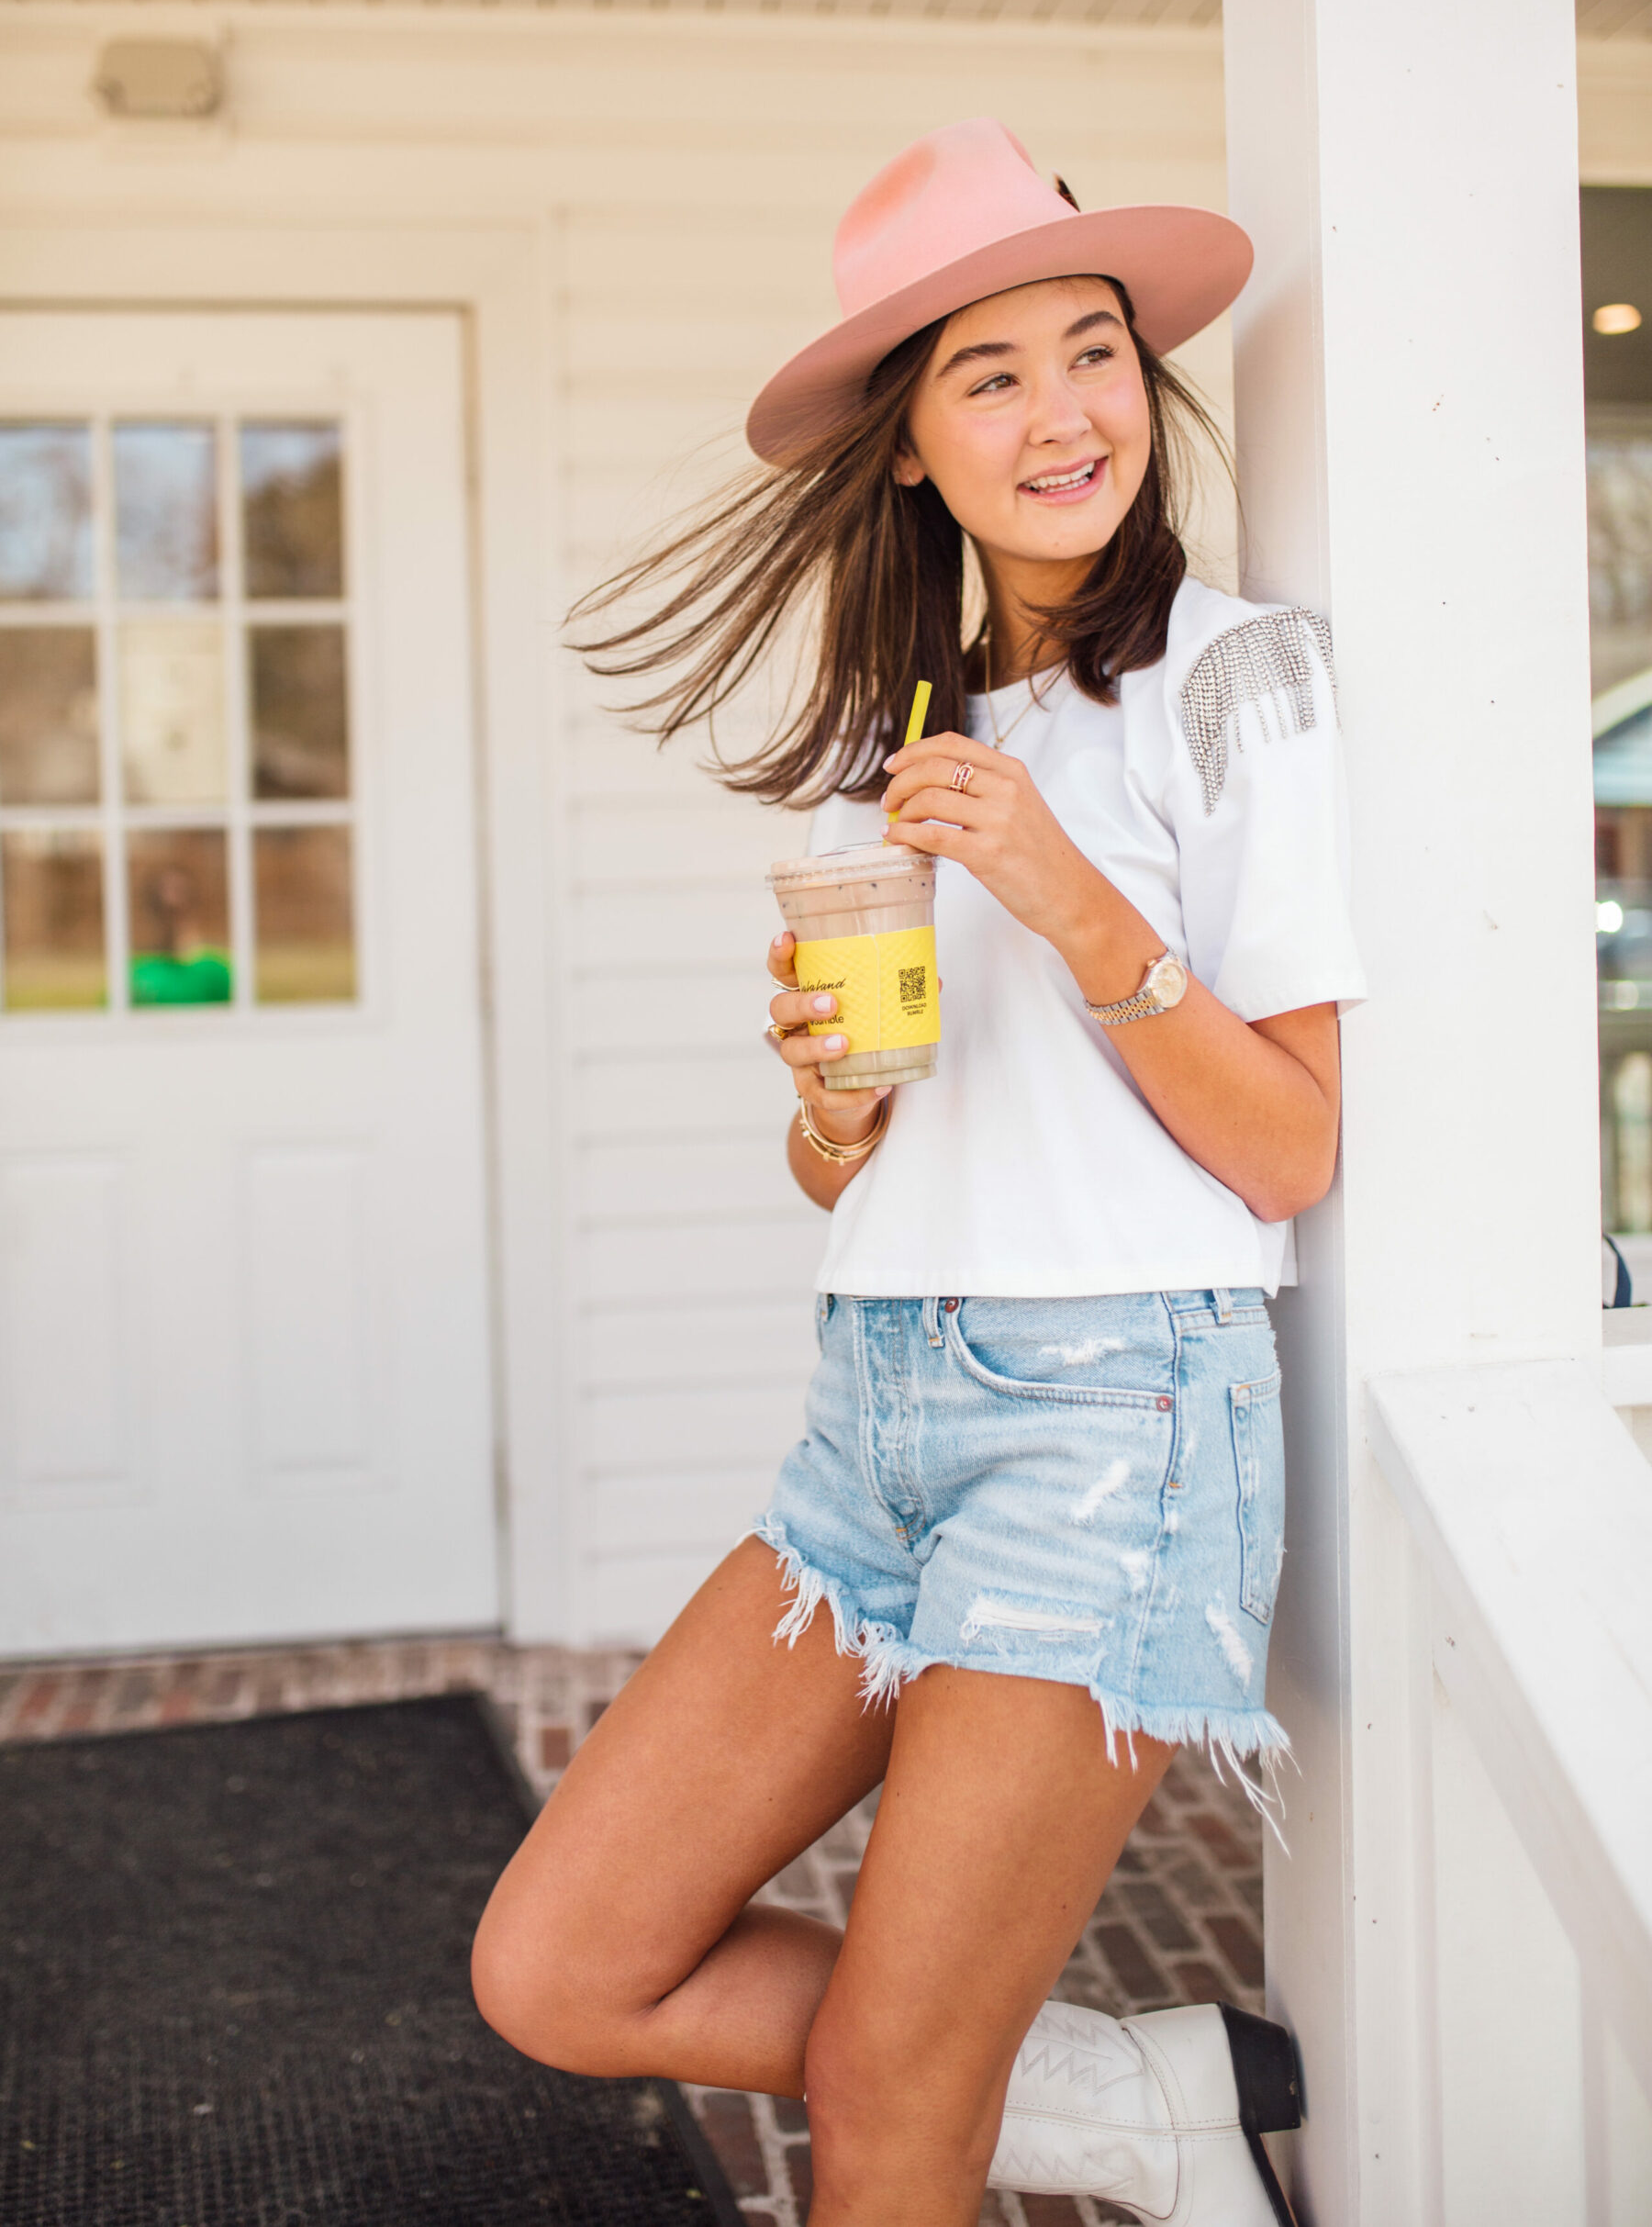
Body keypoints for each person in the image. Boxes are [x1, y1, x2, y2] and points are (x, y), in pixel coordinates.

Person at [472, 118, 1365, 2227]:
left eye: (1096, 353)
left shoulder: (1238, 680)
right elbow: (857, 1158)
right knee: (561, 1965)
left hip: (1113, 1419)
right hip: (874, 1414)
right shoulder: (924, 719)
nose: (1066, 412)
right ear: (909, 448)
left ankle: (968, 2080)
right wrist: (831, 1113)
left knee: (888, 2108)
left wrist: (1078, 911)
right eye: (991, 374)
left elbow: (1295, 1144)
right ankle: (1125, 2099)